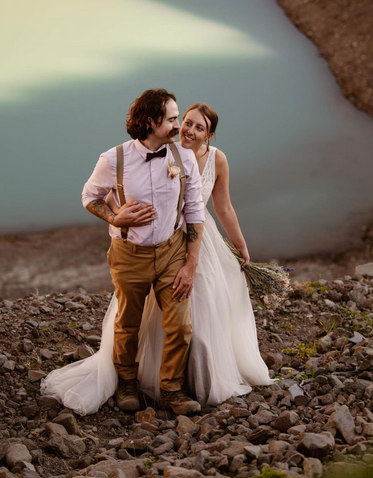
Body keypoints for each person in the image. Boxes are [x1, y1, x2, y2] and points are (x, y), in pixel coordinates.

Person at [41, 101, 273, 415]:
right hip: (140, 250)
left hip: (189, 244)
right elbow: (110, 193)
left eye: (197, 126)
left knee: (193, 320)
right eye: (184, 122)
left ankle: (182, 385)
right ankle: (132, 380)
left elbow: (221, 208)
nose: (187, 129)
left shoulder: (211, 160)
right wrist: (117, 216)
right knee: (135, 320)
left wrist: (240, 246)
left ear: (210, 135)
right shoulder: (161, 150)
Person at [42, 88, 205, 415]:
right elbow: (89, 196)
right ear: (151, 122)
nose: (178, 126)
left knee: (181, 325)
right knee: (128, 322)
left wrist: (190, 264)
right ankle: (127, 382)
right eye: (172, 119)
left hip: (172, 251)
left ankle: (171, 389)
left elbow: (195, 211)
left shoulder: (184, 157)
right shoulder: (113, 159)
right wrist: (115, 216)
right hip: (129, 254)